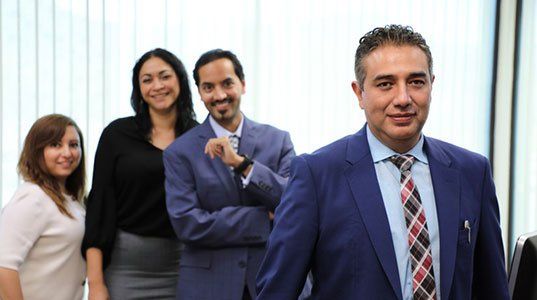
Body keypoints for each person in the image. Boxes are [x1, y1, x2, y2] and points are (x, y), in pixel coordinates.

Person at [257, 25, 510, 299]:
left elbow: (492, 288)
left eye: (416, 82)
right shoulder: (317, 176)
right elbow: (277, 291)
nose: (403, 99)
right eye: (385, 84)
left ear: (431, 85)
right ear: (359, 93)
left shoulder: (472, 172)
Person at [163, 49, 296, 300]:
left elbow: (292, 203)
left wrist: (242, 164)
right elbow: (188, 224)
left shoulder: (278, 141)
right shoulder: (179, 153)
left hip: (272, 279)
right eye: (208, 87)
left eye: (227, 84)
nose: (220, 95)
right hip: (208, 287)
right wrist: (262, 218)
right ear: (200, 94)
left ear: (242, 84)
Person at [82, 48, 198, 300]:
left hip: (184, 267)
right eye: (147, 80)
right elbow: (99, 207)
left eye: (165, 76)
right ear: (139, 89)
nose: (157, 86)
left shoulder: (199, 137)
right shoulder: (117, 135)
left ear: (180, 79)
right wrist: (96, 284)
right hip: (125, 270)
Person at [0, 114, 86, 300]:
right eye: (55, 145)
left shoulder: (72, 201)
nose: (67, 153)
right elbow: (4, 266)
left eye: (73, 144)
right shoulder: (32, 197)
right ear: (37, 151)